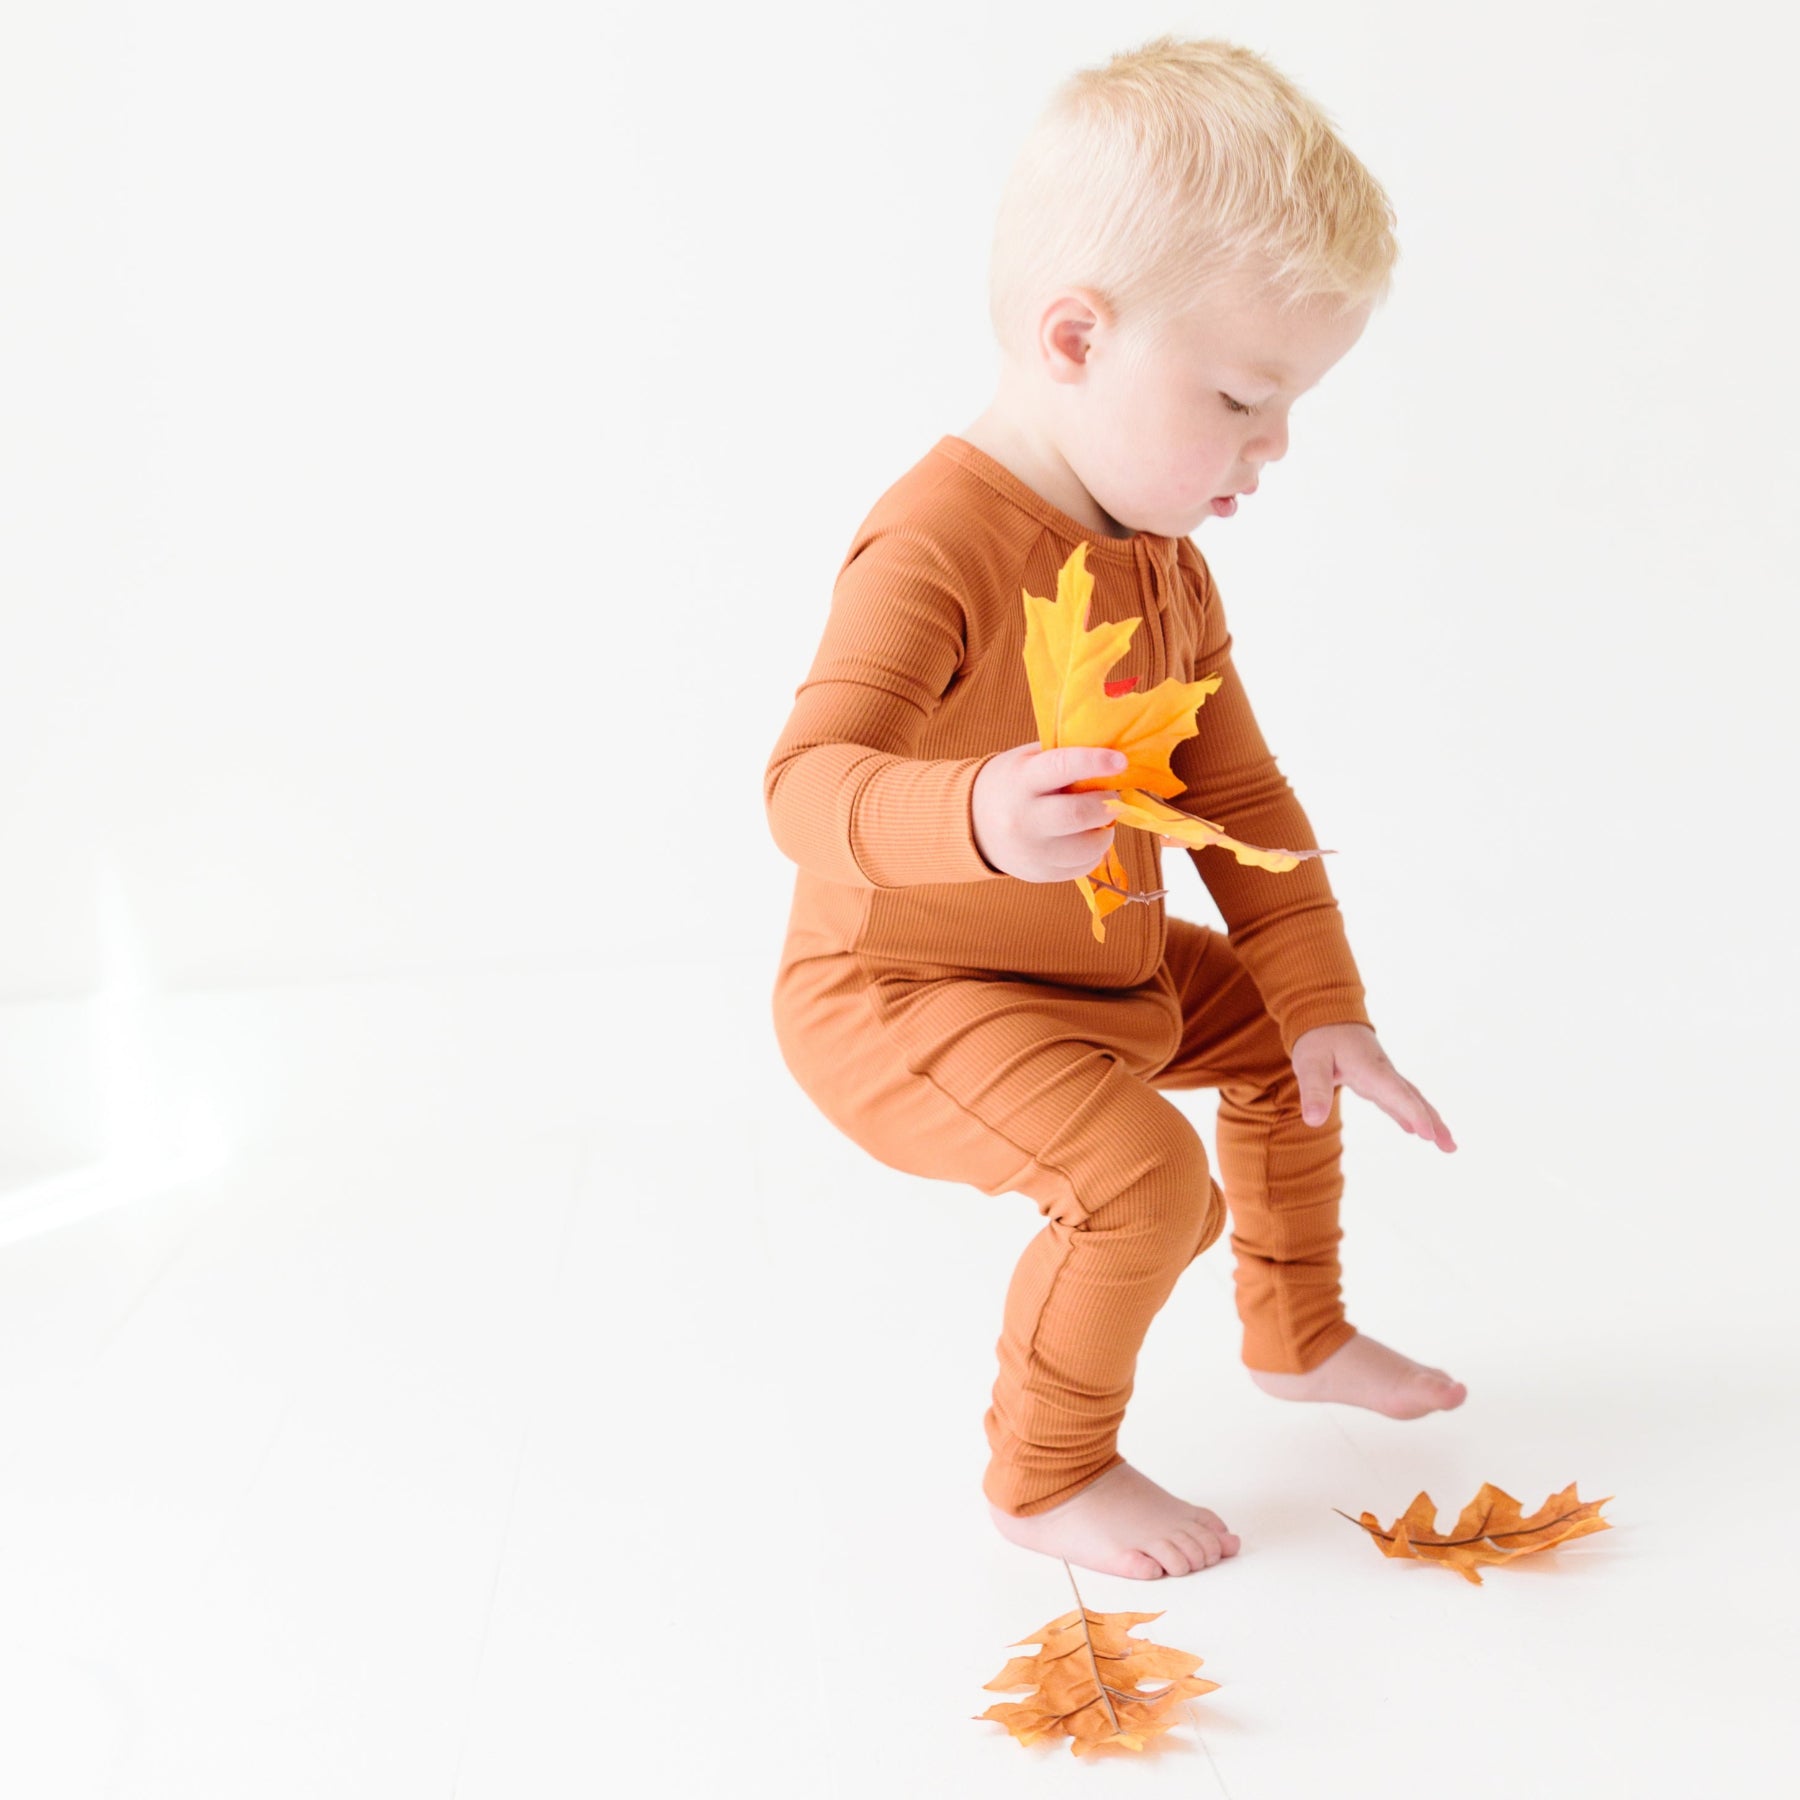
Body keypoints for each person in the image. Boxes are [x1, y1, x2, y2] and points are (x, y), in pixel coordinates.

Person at [763, 35, 1463, 1582]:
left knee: (1285, 1043)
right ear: (1073, 335)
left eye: (1291, 408)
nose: (1274, 446)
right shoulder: (934, 545)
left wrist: (1326, 1003)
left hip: (1105, 973)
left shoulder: (1168, 567)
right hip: (908, 990)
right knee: (1145, 1183)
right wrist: (977, 821)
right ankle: (1046, 1475)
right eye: (1240, 397)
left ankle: (1300, 1333)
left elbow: (1246, 793)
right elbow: (804, 792)